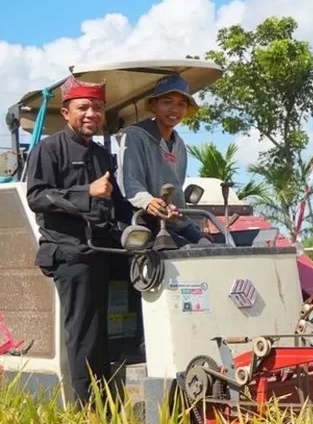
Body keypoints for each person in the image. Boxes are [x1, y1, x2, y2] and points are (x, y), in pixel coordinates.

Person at [25, 76, 134, 407]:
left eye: (98, 108)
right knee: (85, 336)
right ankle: (89, 413)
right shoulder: (49, 148)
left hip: (104, 250)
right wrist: (85, 191)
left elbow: (115, 207)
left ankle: (114, 403)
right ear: (66, 111)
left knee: (109, 334)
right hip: (71, 254)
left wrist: (153, 213)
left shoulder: (101, 156)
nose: (92, 114)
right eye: (84, 107)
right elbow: (37, 197)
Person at [116, 74, 206, 246]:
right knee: (185, 251)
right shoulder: (135, 135)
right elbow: (130, 183)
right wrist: (149, 202)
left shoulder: (179, 144)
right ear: (153, 105)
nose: (174, 109)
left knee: (216, 245)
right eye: (167, 102)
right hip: (141, 220)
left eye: (181, 104)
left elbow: (176, 188)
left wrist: (172, 209)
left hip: (172, 220)